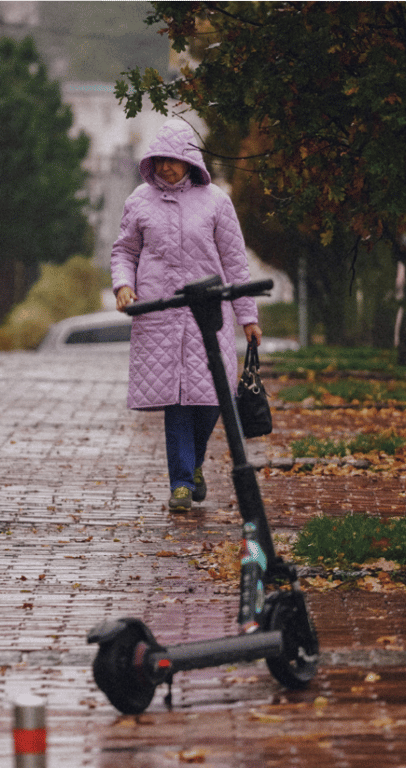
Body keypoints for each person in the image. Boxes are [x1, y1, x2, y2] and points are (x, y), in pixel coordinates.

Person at [110, 119, 263, 512]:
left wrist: (248, 316)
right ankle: (180, 482)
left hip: (208, 315)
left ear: (189, 160)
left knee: (212, 397)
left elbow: (235, 262)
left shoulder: (216, 201)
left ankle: (193, 464)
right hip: (159, 316)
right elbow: (124, 251)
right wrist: (123, 284)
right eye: (159, 160)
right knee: (175, 399)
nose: (165, 167)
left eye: (173, 161)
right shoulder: (139, 200)